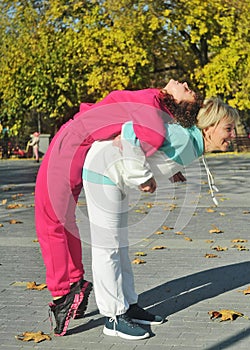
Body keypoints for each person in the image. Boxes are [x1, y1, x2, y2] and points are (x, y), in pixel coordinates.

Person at [34, 79, 203, 337]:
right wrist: (170, 170)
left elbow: (143, 139)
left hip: (71, 144)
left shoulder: (153, 113)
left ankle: (65, 293)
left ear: (177, 103)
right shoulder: (153, 101)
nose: (185, 83)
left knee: (51, 218)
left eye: (188, 91)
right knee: (61, 218)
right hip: (76, 142)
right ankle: (73, 282)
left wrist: (146, 176)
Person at [81, 96, 239, 340]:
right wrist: (143, 176)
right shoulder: (183, 137)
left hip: (115, 177)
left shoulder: (192, 142)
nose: (233, 134)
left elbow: (156, 148)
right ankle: (113, 318)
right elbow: (130, 131)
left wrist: (172, 170)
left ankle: (129, 306)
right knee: (108, 248)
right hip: (102, 172)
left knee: (120, 246)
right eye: (228, 128)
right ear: (209, 127)